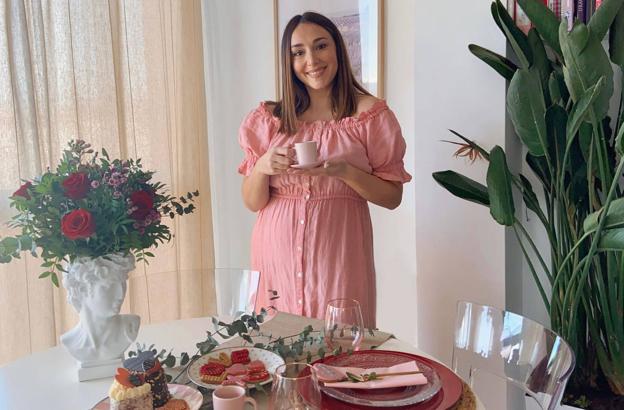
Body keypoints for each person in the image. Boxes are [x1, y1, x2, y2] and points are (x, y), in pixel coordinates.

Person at [238, 11, 411, 328]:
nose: (311, 60)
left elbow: (392, 197)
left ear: (337, 50)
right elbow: (252, 202)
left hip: (340, 251)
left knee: (340, 341)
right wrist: (262, 166)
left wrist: (345, 172)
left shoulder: (370, 115)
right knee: (279, 345)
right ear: (288, 61)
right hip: (276, 252)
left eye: (320, 46)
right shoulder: (269, 119)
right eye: (298, 52)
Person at [60, 253, 139, 363]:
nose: (120, 295)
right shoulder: (70, 341)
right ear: (83, 289)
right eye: (109, 286)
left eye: (123, 284)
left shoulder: (129, 328)